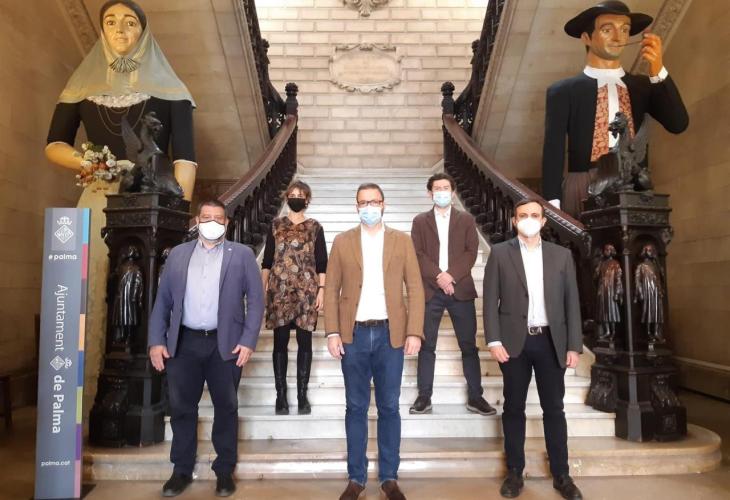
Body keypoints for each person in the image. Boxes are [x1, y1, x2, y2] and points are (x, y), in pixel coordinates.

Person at [44, 0, 197, 411]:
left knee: (146, 289)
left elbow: (185, 160)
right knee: (90, 287)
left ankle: (145, 395)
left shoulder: (173, 92)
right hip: (97, 198)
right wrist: (91, 162)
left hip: (150, 200)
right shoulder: (82, 87)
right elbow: (54, 144)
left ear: (143, 32)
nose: (120, 29)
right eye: (110, 21)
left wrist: (178, 214)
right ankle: (80, 400)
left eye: (130, 23)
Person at [148, 199, 264, 497]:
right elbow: (163, 301)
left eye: (218, 218)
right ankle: (181, 470)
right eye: (206, 217)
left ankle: (224, 471)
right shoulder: (178, 254)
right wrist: (156, 341)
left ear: (226, 223)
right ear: (197, 221)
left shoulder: (242, 255)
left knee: (226, 407)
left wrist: (248, 340)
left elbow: (256, 301)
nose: (212, 222)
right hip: (183, 342)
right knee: (182, 408)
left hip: (225, 344)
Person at [542, 0, 688, 217]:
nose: (618, 37)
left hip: (633, 185)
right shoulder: (563, 91)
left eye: (625, 30)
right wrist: (552, 204)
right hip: (582, 184)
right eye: (607, 30)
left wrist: (658, 70)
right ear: (586, 37)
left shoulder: (642, 87)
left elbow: (678, 124)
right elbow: (553, 150)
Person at [325, 183, 425, 500]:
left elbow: (416, 288)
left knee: (389, 407)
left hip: (389, 335)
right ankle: (356, 478)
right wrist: (332, 331)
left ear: (384, 204)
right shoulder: (342, 241)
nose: (369, 207)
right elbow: (331, 289)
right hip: (352, 335)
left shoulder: (402, 240)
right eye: (363, 202)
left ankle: (388, 478)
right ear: (356, 207)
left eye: (374, 201)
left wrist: (414, 331)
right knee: (355, 407)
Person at [483, 198, 583, 499]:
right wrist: (494, 340)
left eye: (534, 215)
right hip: (514, 343)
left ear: (543, 221)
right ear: (515, 221)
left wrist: (574, 345)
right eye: (523, 215)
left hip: (551, 341)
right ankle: (514, 472)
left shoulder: (561, 256)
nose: (529, 219)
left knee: (554, 408)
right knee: (513, 407)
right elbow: (489, 299)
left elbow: (571, 302)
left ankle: (562, 475)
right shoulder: (500, 253)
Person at [409, 173, 496, 416]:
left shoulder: (466, 219)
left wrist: (450, 276)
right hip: (431, 291)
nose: (442, 192)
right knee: (427, 345)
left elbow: (471, 252)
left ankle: (476, 397)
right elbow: (417, 254)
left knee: (469, 345)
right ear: (430, 193)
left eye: (445, 188)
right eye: (437, 188)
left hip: (461, 289)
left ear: (453, 192)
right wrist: (439, 276)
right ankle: (424, 397)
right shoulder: (420, 221)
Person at [261, 180, 327, 415]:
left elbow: (322, 262)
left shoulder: (315, 227)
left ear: (307, 199)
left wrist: (322, 289)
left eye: (300, 194)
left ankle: (302, 395)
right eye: (292, 194)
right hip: (279, 291)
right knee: (279, 342)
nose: (296, 197)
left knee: (304, 342)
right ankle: (281, 396)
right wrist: (263, 287)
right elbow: (267, 260)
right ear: (286, 197)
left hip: (306, 292)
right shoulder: (275, 225)